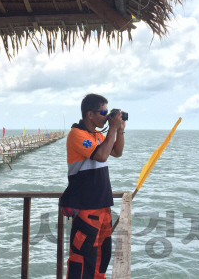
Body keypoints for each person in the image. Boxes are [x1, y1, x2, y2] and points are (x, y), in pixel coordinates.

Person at [59, 94, 125, 279]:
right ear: (89, 114)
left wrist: (119, 131)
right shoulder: (77, 134)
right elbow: (102, 156)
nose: (106, 116)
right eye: (103, 112)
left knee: (101, 257)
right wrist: (111, 129)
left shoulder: (97, 135)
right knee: (82, 258)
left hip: (103, 205)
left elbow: (117, 153)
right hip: (86, 207)